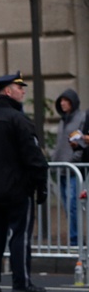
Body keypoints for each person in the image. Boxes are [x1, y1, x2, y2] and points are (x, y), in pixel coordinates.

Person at [0, 72, 49, 292]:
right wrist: (40, 185)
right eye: (19, 88)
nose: (23, 91)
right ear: (8, 91)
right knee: (20, 235)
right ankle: (21, 283)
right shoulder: (19, 120)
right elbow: (33, 156)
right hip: (17, 188)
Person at [51, 89, 85, 246]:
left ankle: (75, 240)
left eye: (66, 100)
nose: (63, 103)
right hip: (62, 169)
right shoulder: (62, 121)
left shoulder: (81, 118)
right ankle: (73, 238)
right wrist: (53, 161)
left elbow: (81, 143)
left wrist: (74, 160)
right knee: (66, 205)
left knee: (73, 205)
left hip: (73, 169)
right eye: (61, 101)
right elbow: (60, 145)